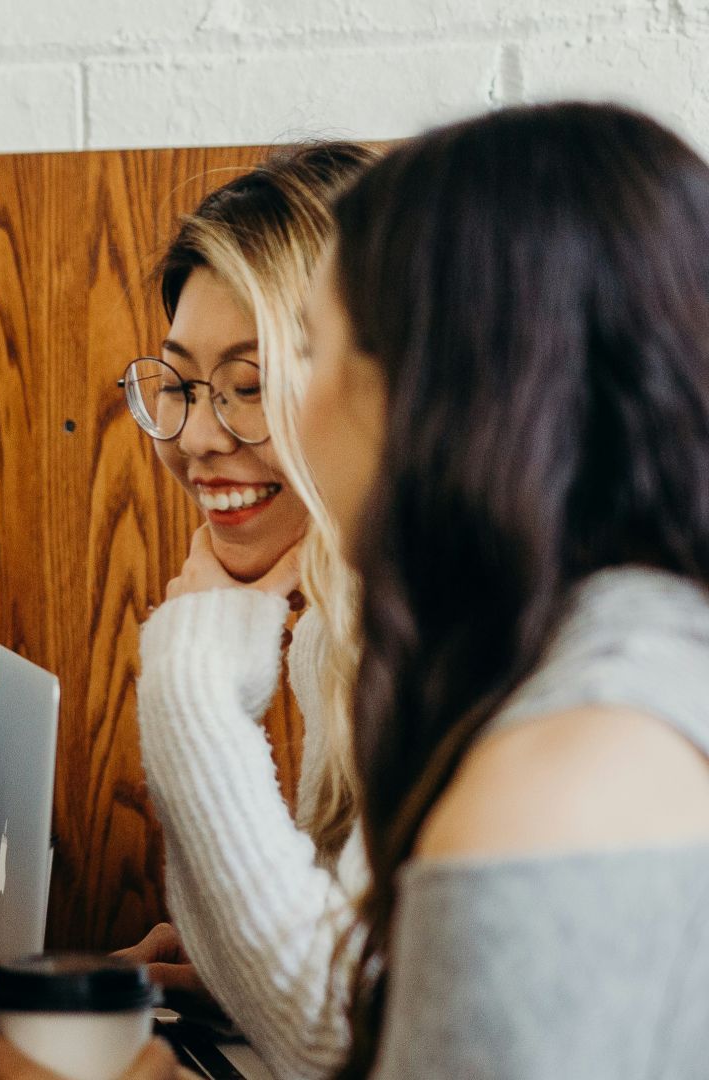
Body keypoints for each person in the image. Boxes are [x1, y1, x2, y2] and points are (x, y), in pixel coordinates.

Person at [300, 101, 709, 1077]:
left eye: (313, 350)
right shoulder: (659, 660)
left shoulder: (557, 781)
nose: (290, 411)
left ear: (429, 387)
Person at [112, 144, 378, 1079]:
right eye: (181, 385)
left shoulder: (454, 642)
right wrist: (227, 971)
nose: (193, 437)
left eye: (252, 386)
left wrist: (189, 681)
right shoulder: (337, 631)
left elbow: (335, 1039)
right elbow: (338, 991)